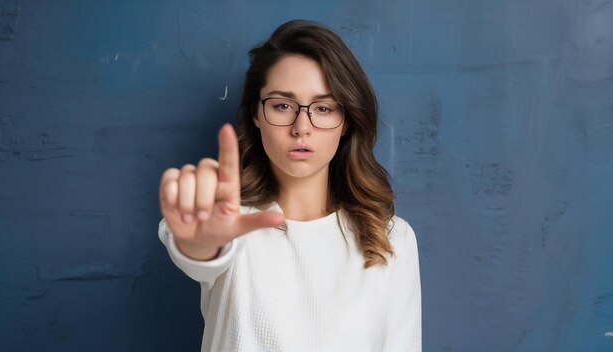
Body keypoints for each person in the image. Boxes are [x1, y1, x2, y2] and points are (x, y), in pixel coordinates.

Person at [158, 19, 421, 351]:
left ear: (346, 121)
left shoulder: (393, 239)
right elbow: (198, 250)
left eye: (323, 108)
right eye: (283, 105)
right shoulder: (228, 222)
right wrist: (199, 243)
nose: (301, 127)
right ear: (256, 113)